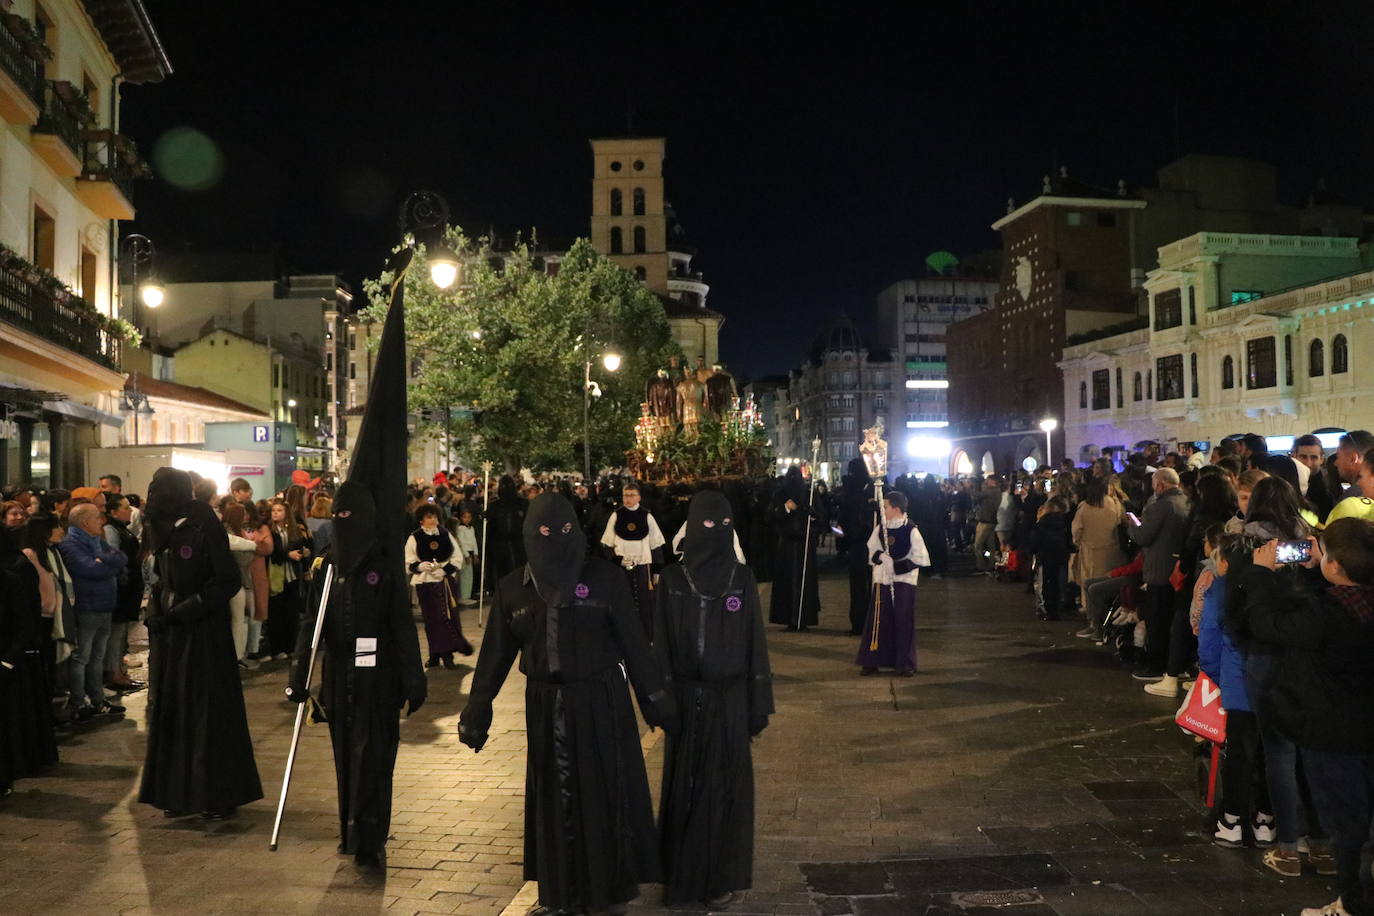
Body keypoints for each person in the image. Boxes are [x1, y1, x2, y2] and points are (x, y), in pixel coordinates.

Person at [459, 493, 675, 916]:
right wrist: (476, 711)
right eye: (543, 532)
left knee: (602, 793)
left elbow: (635, 646)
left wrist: (658, 705)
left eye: (562, 531)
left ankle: (608, 889)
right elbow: (494, 658)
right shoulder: (513, 588)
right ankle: (559, 892)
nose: (553, 540)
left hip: (600, 702)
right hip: (545, 708)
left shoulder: (605, 580)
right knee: (554, 800)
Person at [288, 481, 427, 868]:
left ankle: (371, 831)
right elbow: (310, 625)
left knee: (375, 756)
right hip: (338, 676)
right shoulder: (327, 566)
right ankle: (350, 829)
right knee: (345, 755)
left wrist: (413, 679)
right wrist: (298, 676)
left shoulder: (383, 566)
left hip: (378, 678)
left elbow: (401, 626)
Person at [1240, 519, 1374, 915]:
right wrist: (1324, 570)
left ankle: (1351, 904)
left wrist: (1261, 575)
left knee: (1348, 828)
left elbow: (1268, 624)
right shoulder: (1348, 606)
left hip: (1334, 736)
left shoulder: (1323, 617)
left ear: (1334, 566)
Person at [654, 490, 773, 908]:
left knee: (723, 788)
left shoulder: (741, 578)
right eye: (707, 524)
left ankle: (719, 875)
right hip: (686, 700)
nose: (715, 533)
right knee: (685, 787)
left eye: (722, 525)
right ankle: (681, 874)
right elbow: (661, 646)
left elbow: (755, 644)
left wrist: (758, 702)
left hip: (730, 700)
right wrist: (661, 699)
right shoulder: (671, 581)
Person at [138, 467, 262, 820]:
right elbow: (162, 578)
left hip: (203, 635)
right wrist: (159, 610)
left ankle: (218, 792)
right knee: (173, 713)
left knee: (209, 713)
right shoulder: (159, 525)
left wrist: (184, 610)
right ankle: (175, 791)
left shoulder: (202, 523)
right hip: (171, 636)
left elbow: (225, 580)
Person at [1196, 528, 1274, 849]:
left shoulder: (1220, 592)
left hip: (1238, 686)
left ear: (1226, 563)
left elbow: (1209, 644)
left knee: (1238, 754)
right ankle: (1265, 821)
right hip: (1273, 687)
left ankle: (1231, 821)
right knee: (1271, 754)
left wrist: (1213, 676)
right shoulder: (1273, 590)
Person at [58, 503, 128, 720]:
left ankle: (97, 700)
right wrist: (109, 563)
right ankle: (79, 702)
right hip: (87, 607)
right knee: (82, 657)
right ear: (85, 522)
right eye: (98, 518)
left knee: (97, 657)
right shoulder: (70, 544)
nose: (102, 521)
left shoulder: (96, 540)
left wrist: (105, 561)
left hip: (105, 605)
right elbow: (90, 569)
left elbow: (121, 559)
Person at [1127, 467, 1190, 681]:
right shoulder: (1185, 503)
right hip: (1177, 570)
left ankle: (1156, 666)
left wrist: (1133, 523)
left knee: (1157, 621)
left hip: (1159, 571)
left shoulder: (1161, 506)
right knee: (1172, 620)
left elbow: (1143, 536)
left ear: (1160, 485)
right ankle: (1174, 665)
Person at [856, 490, 929, 676]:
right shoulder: (881, 528)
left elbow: (920, 558)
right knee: (879, 620)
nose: (883, 510)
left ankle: (904, 663)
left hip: (903, 582)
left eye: (886, 507)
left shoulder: (910, 530)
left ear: (896, 508)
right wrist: (880, 557)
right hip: (883, 581)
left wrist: (896, 567)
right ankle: (873, 659)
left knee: (902, 621)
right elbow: (871, 548)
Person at [404, 503, 473, 669]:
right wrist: (419, 567)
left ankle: (447, 655)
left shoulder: (445, 534)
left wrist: (444, 571)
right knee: (431, 620)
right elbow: (408, 560)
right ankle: (434, 654)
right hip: (425, 584)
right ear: (421, 520)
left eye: (434, 516)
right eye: (429, 517)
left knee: (446, 617)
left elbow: (457, 558)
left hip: (444, 583)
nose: (433, 520)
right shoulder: (415, 537)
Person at [599, 482, 666, 637]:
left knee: (645, 603)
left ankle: (646, 636)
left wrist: (657, 571)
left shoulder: (647, 516)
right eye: (625, 495)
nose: (628, 499)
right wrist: (618, 560)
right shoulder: (616, 515)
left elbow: (656, 545)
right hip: (623, 566)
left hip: (643, 566)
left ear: (639, 498)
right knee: (623, 601)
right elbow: (607, 544)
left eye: (631, 495)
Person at [768, 467, 820, 631]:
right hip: (787, 545)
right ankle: (788, 617)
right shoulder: (780, 494)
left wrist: (812, 513)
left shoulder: (809, 494)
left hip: (805, 544)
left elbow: (821, 515)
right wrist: (785, 508)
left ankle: (804, 617)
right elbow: (770, 516)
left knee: (804, 581)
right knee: (787, 581)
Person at [101, 494, 144, 693]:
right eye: (125, 507)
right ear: (113, 512)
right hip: (121, 589)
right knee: (116, 633)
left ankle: (118, 670)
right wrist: (123, 576)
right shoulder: (111, 530)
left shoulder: (122, 529)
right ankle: (114, 673)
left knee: (121, 632)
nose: (129, 511)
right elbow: (114, 555)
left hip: (128, 587)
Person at [266, 498, 311, 660]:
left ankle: (291, 646)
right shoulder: (269, 530)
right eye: (274, 510)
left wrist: (302, 552)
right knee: (276, 612)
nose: (276, 513)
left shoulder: (292, 530)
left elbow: (298, 545)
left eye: (279, 510)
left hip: (292, 575)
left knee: (291, 612)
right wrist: (287, 555)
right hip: (276, 574)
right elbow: (272, 551)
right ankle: (277, 649)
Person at [839, 459, 877, 635]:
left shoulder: (867, 490)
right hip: (861, 543)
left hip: (864, 543)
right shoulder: (854, 491)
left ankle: (864, 621)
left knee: (863, 584)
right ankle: (862, 621)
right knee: (862, 584)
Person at [1029, 497, 1072, 621]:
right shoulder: (1063, 521)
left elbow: (1035, 539)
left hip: (1045, 556)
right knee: (1056, 582)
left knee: (1045, 583)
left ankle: (1047, 608)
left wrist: (1032, 551)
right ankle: (1055, 608)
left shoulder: (1043, 522)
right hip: (1059, 556)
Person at [972, 478, 1001, 573]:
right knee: (990, 544)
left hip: (986, 521)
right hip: (990, 520)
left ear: (993, 481)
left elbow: (975, 496)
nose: (986, 482)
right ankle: (991, 564)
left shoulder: (991, 491)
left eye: (988, 481)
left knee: (978, 544)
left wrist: (974, 486)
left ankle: (980, 565)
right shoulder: (996, 491)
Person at [455, 509, 479, 607]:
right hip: (465, 553)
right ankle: (464, 596)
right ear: (461, 518)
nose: (467, 519)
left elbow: (474, 541)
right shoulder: (460, 529)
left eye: (469, 517)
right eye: (465, 517)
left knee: (470, 575)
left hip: (472, 552)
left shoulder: (471, 528)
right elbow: (462, 543)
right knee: (465, 575)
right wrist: (466, 555)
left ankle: (468, 595)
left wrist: (476, 553)